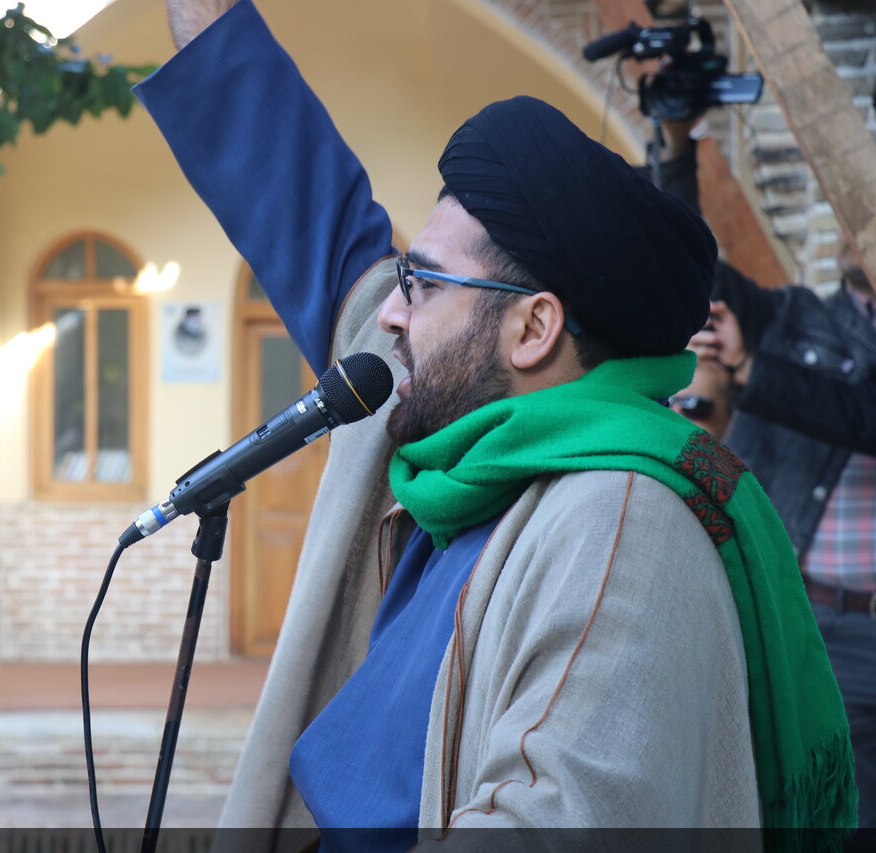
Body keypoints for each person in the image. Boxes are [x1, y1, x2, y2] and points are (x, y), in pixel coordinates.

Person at [137, 0, 855, 840]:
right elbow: (300, 201)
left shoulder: (624, 524)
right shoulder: (446, 423)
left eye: (423, 282)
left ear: (534, 328)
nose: (394, 312)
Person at [657, 121, 876, 830]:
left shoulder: (769, 348)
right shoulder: (789, 316)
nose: (854, 221)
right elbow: (686, 257)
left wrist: (756, 369)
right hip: (812, 622)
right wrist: (675, 145)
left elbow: (862, 413)